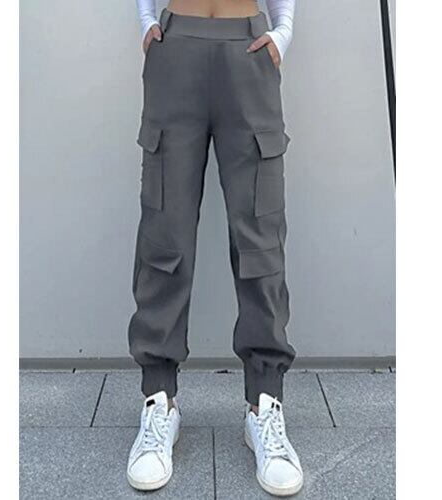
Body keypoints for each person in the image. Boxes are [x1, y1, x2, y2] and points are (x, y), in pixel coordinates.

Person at [127, 0, 303, 496]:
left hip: (247, 49)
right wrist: (146, 22)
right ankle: (159, 399)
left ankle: (264, 403)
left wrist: (284, 31)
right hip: (175, 49)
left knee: (260, 236)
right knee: (164, 232)